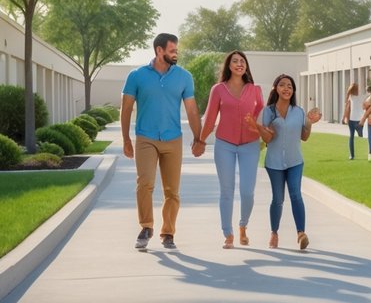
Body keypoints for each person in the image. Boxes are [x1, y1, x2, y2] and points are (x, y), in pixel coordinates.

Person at [121, 32, 202, 252]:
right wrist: (126, 139)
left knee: (172, 190)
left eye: (176, 50)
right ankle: (146, 227)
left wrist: (199, 138)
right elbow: (126, 108)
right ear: (159, 50)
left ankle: (168, 233)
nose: (176, 54)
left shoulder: (184, 77)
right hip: (145, 138)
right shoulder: (136, 76)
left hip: (173, 138)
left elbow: (192, 110)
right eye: (172, 50)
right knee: (144, 183)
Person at [196, 50, 264, 249]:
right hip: (224, 144)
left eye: (242, 61)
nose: (239, 64)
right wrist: (200, 141)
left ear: (246, 66)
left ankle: (243, 225)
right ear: (229, 66)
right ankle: (228, 234)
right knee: (226, 191)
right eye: (235, 61)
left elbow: (261, 112)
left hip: (250, 145)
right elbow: (210, 118)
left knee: (247, 192)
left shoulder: (255, 89)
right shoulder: (218, 89)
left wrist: (257, 127)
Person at [246, 74, 321, 251]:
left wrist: (310, 123)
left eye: (290, 86)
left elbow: (304, 137)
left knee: (296, 195)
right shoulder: (267, 112)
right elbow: (267, 139)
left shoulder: (299, 112)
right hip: (274, 163)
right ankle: (274, 233)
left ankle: (301, 234)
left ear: (293, 91)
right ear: (276, 88)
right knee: (278, 199)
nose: (286, 88)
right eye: (282, 85)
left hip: (295, 161)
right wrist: (258, 127)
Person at [341, 80, 363, 160]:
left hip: (351, 119)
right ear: (357, 89)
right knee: (360, 135)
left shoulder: (350, 97)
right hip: (359, 120)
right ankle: (359, 131)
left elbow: (346, 109)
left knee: (351, 137)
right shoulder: (362, 97)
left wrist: (343, 118)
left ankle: (352, 155)